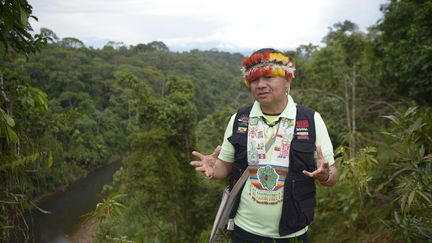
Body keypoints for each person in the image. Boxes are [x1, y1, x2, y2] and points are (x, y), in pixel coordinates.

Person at [190, 48, 339, 243]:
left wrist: (326, 175)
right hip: (244, 231)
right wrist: (213, 168)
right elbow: (225, 167)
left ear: (288, 79)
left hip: (293, 234)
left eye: (268, 77)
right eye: (254, 80)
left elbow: (333, 175)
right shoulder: (240, 119)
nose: (260, 85)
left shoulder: (310, 120)